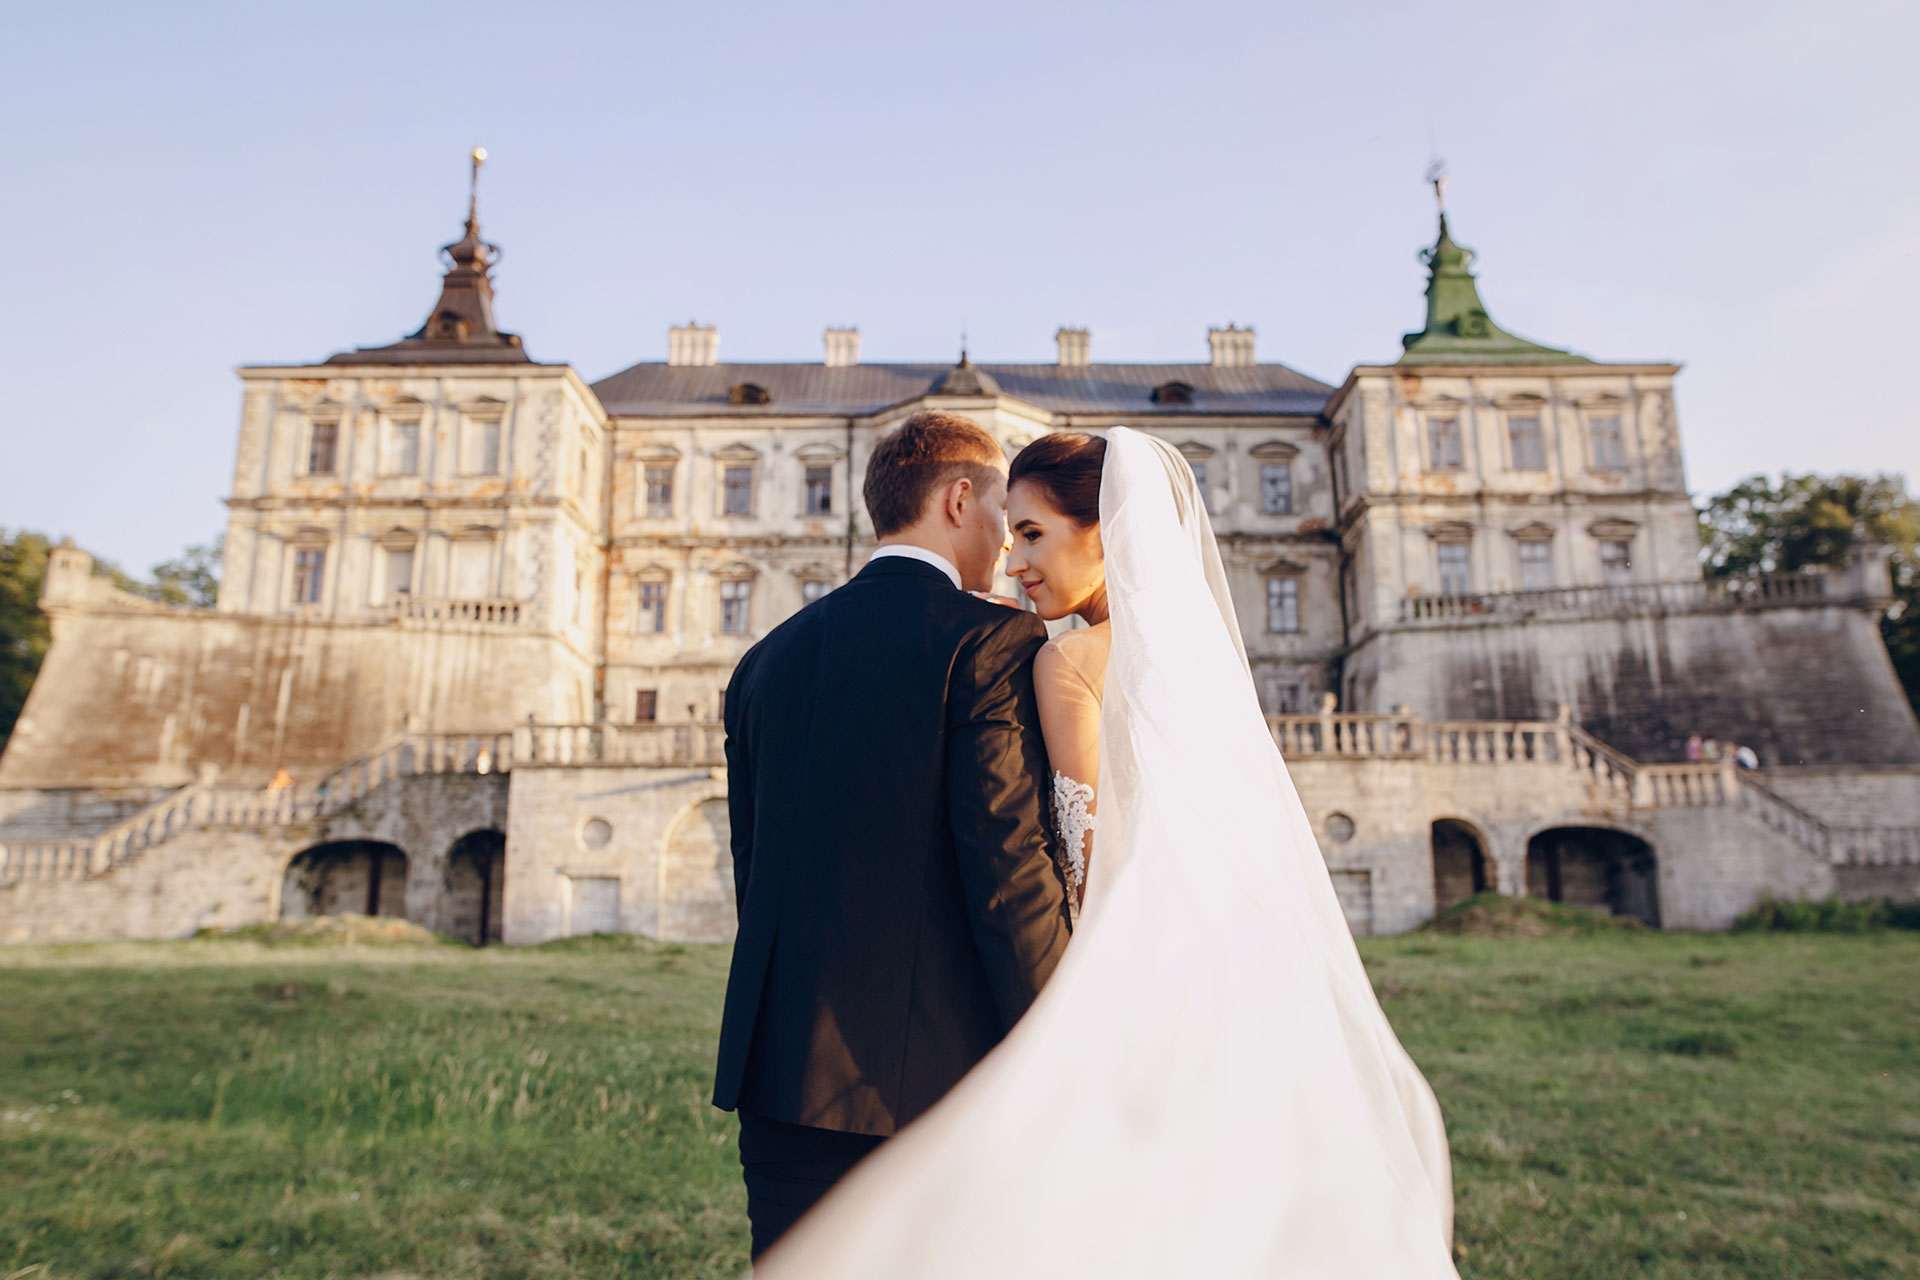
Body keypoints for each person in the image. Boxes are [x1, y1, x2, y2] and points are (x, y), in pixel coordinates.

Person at [757, 427, 1458, 1277]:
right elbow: (1049, 864)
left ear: (1106, 531)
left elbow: (1049, 868)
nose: (1014, 559)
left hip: (825, 1054)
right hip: (1211, 992)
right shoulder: (1182, 668)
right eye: (1009, 530)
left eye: (1033, 534)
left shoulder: (1049, 666)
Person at [714, 410, 1073, 1262]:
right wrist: (1065, 1037)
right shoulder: (988, 641)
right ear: (959, 500)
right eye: (1003, 516)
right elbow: (1007, 875)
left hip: (780, 1080)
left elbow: (753, 866)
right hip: (933, 1085)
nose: (1009, 549)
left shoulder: (764, 660)